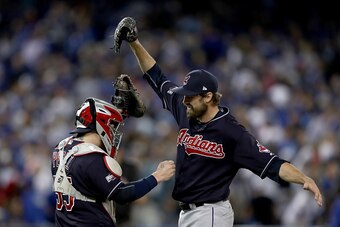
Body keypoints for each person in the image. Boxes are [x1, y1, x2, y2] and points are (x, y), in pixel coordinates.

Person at [113, 17, 323, 227]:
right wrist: (134, 42)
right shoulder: (186, 108)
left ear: (207, 97)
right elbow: (157, 76)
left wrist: (304, 178)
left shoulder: (232, 132)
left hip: (211, 213)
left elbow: (272, 164)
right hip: (187, 213)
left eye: (190, 96)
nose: (184, 100)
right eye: (184, 95)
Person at [51, 97, 175, 226]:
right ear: (100, 124)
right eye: (111, 125)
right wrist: (158, 176)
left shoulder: (61, 147)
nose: (113, 130)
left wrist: (121, 112)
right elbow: (122, 194)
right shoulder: (91, 157)